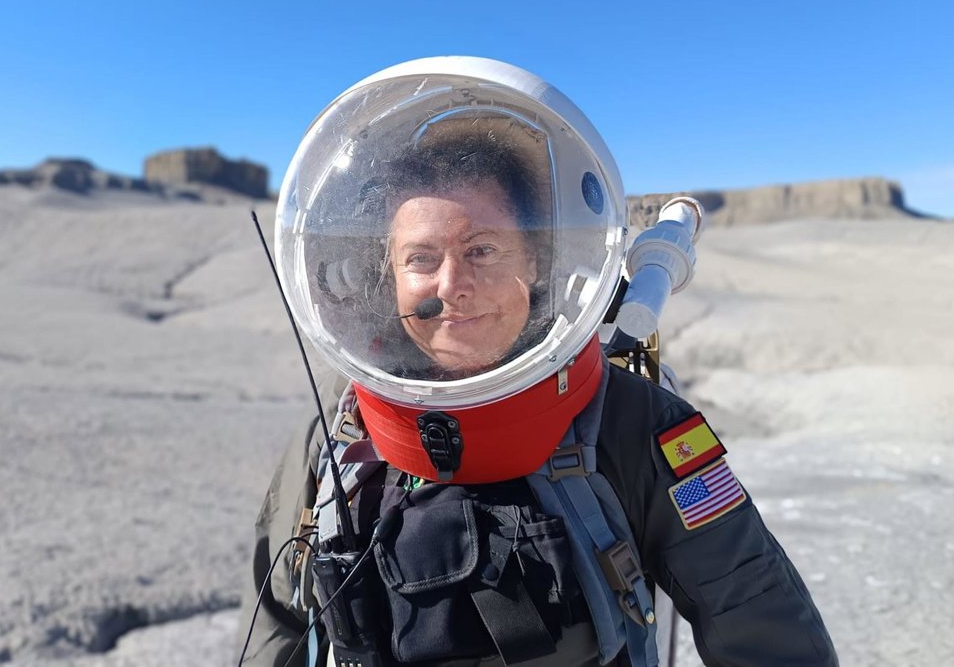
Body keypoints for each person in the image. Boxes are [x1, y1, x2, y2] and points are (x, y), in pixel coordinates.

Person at [239, 57, 837, 667]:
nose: (451, 285)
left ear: (535, 261)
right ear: (387, 275)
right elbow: (278, 621)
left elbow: (760, 621)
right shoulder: (339, 433)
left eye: (483, 249)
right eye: (420, 258)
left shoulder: (633, 425)